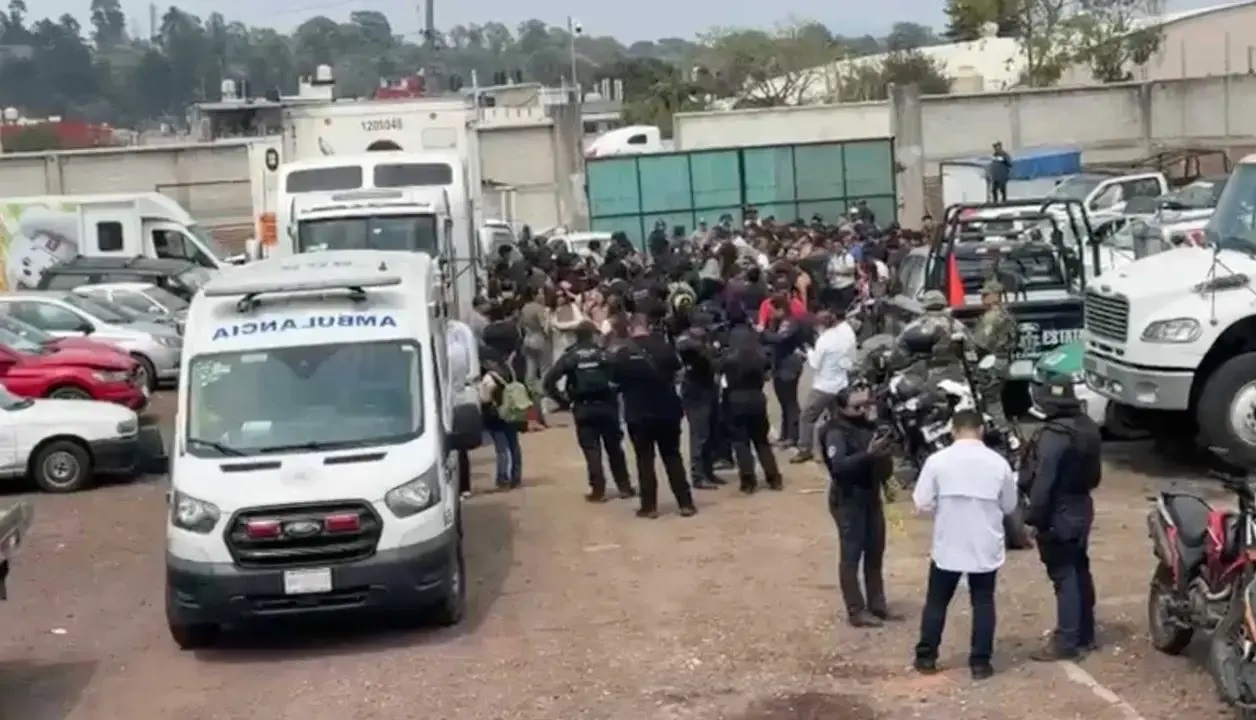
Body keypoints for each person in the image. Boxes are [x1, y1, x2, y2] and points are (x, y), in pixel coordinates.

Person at [911, 410, 1020, 679]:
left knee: (937, 601)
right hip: (985, 543)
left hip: (949, 542)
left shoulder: (937, 461)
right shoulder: (998, 463)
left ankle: (926, 657)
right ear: (981, 430)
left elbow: (922, 501)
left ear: (953, 430)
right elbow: (1010, 505)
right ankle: (980, 663)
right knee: (983, 602)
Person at [1022, 376, 1103, 661]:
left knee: (1064, 576)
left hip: (1059, 512)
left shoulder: (1052, 436)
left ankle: (1067, 641)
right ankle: (1085, 634)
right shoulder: (1088, 427)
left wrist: (1033, 518)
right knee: (1080, 569)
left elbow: (1043, 481)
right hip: (1082, 506)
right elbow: (1095, 477)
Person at [822, 386, 897, 627]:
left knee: (875, 551)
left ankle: (877, 604)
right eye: (857, 407)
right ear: (843, 408)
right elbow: (839, 467)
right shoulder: (835, 431)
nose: (864, 410)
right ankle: (856, 610)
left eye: (867, 405)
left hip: (871, 496)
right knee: (851, 555)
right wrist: (869, 454)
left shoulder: (870, 427)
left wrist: (885, 466)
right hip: (848, 499)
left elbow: (882, 463)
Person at [611, 313, 696, 518]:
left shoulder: (622, 353)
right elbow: (679, 373)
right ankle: (685, 503)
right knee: (672, 456)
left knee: (644, 460)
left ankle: (649, 506)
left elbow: (615, 383)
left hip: (638, 413)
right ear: (648, 326)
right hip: (667, 410)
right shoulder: (665, 348)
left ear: (630, 329)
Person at [542, 321, 635, 502]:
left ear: (576, 336)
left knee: (592, 450)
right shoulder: (604, 354)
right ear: (593, 335)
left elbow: (548, 382)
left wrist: (564, 402)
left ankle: (598, 490)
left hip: (583, 407)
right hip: (607, 406)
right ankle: (624, 487)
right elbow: (622, 375)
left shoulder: (570, 356)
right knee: (614, 448)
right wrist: (617, 392)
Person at [720, 325, 783, 493]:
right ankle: (774, 477)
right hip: (757, 399)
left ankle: (748, 480)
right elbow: (767, 376)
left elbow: (719, 375)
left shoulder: (728, 358)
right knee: (762, 441)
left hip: (735, 400)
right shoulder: (761, 357)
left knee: (741, 443)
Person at [793, 309, 856, 464]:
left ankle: (805, 449)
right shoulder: (842, 336)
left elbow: (815, 364)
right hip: (841, 385)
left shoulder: (824, 340)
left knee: (807, 417)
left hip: (823, 386)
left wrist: (808, 352)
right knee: (837, 419)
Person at [676, 319, 725, 490]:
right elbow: (685, 347)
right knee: (700, 436)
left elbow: (718, 361)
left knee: (711, 434)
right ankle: (698, 475)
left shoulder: (706, 345)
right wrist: (705, 347)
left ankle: (708, 471)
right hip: (695, 396)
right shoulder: (688, 345)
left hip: (709, 391)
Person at [971, 278, 1017, 427]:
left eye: (986, 295)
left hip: (991, 362)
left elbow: (980, 342)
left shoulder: (992, 317)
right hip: (1002, 360)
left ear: (996, 296)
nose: (982, 298)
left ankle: (1001, 431)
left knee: (991, 402)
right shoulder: (1005, 314)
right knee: (992, 399)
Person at [446, 317, 481, 497]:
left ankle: (460, 486)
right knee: (460, 448)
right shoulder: (460, 337)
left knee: (456, 447)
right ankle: (463, 486)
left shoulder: (457, 337)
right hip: (458, 395)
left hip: (454, 396)